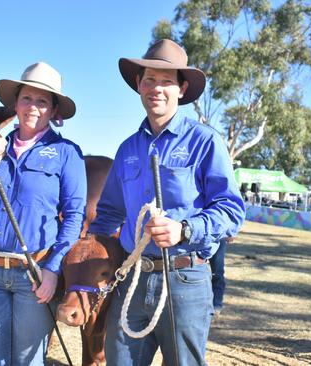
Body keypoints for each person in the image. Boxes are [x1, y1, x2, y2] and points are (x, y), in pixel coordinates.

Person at [88, 39, 245, 365]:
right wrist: (90, 254)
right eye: (149, 80)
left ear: (181, 88)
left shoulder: (205, 142)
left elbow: (232, 210)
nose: (156, 88)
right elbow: (107, 215)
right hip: (131, 280)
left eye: (166, 81)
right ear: (138, 85)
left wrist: (184, 230)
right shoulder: (128, 149)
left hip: (184, 282)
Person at [0, 62, 86, 365]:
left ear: (54, 110)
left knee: (27, 361)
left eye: (43, 101)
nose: (33, 107)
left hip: (35, 274)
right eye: (27, 99)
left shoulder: (67, 154)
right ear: (16, 104)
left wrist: (54, 269)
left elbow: (74, 217)